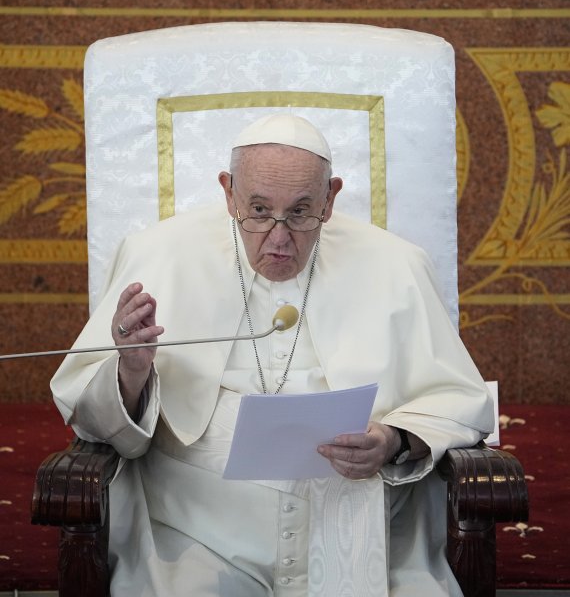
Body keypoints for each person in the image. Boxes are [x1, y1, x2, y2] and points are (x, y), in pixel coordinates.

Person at [52, 113, 494, 597]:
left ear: (330, 198)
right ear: (228, 192)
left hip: (365, 529)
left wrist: (393, 440)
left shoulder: (397, 265)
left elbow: (459, 398)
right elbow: (88, 415)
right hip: (193, 532)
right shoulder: (157, 254)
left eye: (301, 212)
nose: (279, 239)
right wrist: (129, 372)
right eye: (258, 211)